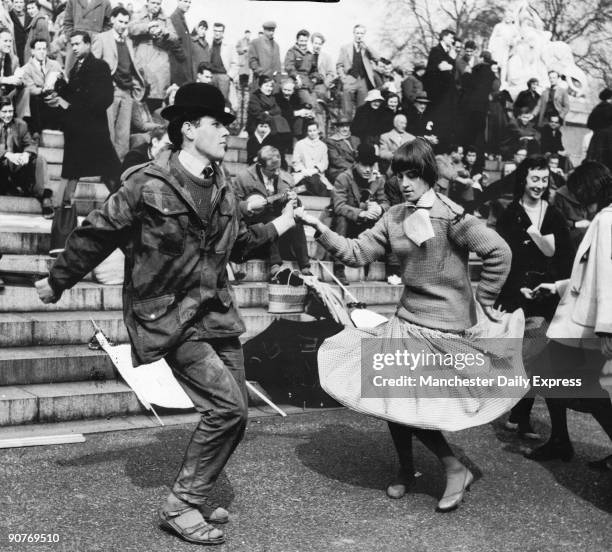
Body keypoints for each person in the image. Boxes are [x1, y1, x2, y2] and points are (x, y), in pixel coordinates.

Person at [35, 82, 299, 546]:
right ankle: (180, 504)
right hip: (171, 317)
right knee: (226, 407)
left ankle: (194, 498)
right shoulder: (147, 182)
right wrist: (58, 280)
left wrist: (280, 224)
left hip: (216, 314)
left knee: (234, 415)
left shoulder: (222, 184)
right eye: (218, 125)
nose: (227, 133)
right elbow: (98, 233)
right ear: (190, 129)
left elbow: (236, 243)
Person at [295, 138, 515, 512]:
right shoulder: (395, 215)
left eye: (414, 175)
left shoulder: (451, 215)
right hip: (407, 320)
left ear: (428, 174)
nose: (406, 183)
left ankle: (453, 467)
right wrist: (318, 227)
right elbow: (357, 252)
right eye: (400, 176)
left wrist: (487, 299)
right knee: (389, 396)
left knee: (409, 401)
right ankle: (407, 468)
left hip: (443, 327)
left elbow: (499, 252)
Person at [525, 161, 612, 467]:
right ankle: (560, 439)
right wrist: (558, 286)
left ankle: (561, 440)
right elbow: (588, 271)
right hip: (581, 320)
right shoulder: (603, 218)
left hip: (586, 326)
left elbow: (607, 273)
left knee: (580, 388)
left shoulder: (606, 219)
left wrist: (606, 327)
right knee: (552, 376)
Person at [496, 155, 574, 437]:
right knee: (524, 358)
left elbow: (565, 258)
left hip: (544, 297)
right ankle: (516, 413)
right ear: (523, 179)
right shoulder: (509, 215)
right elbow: (501, 259)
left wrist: (552, 284)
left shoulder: (553, 215)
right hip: (515, 297)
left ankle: (519, 415)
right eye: (534, 179)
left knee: (531, 356)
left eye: (544, 179)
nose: (539, 185)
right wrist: (516, 286)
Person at [47, 30, 121, 249]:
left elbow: (105, 98)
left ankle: (130, 220)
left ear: (89, 44)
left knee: (113, 178)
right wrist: (61, 88)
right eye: (72, 44)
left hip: (94, 133)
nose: (75, 47)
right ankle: (61, 239)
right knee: (69, 182)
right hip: (77, 134)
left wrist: (71, 107)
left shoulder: (100, 66)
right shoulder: (74, 68)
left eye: (79, 43)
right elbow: (73, 96)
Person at [233, 145, 312, 279]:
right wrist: (250, 205)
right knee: (270, 221)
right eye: (271, 170)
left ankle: (305, 265)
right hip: (256, 227)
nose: (276, 173)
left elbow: (294, 202)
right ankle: (275, 265)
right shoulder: (243, 178)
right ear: (260, 165)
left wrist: (294, 201)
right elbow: (233, 205)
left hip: (279, 222)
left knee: (297, 224)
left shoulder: (284, 177)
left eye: (278, 168)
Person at [92, 6, 146, 161]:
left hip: (127, 92)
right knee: (107, 131)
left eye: (126, 22)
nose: (123, 25)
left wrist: (135, 85)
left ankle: (118, 170)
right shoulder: (102, 38)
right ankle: (104, 166)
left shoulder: (128, 42)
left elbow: (130, 66)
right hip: (110, 91)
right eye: (121, 21)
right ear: (112, 19)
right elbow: (94, 66)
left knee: (123, 134)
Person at [330, 143, 388, 284]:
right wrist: (361, 213)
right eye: (364, 165)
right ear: (356, 163)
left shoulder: (377, 180)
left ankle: (388, 266)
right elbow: (339, 206)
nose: (368, 170)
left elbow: (386, 203)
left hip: (364, 227)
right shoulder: (344, 178)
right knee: (341, 219)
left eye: (371, 165)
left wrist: (379, 208)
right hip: (345, 226)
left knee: (386, 219)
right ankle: (338, 267)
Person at [0, 96, 51, 214]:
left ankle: (45, 196)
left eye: (10, 111)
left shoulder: (21, 125)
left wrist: (26, 154)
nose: (8, 115)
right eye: (4, 112)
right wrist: (7, 154)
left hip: (16, 169)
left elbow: (30, 144)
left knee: (40, 160)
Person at [129, 0, 179, 111]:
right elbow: (131, 29)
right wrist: (147, 27)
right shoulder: (138, 15)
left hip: (160, 62)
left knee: (156, 99)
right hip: (142, 59)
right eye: (153, 2)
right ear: (147, 2)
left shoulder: (166, 19)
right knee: (139, 97)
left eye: (158, 3)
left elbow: (175, 38)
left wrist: (164, 32)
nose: (156, 6)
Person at [552, 160, 602, 249]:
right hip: (572, 235)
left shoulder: (595, 191)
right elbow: (556, 221)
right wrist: (575, 224)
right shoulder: (561, 195)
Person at [336, 24, 378, 118]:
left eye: (362, 33)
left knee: (363, 108)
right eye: (357, 33)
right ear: (354, 33)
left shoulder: (366, 49)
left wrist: (367, 47)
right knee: (347, 108)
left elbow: (377, 58)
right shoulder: (345, 48)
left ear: (364, 35)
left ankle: (360, 131)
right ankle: (346, 130)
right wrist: (343, 78)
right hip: (350, 78)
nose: (359, 35)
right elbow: (339, 65)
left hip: (363, 80)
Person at [424, 29, 457, 150]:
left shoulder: (445, 52)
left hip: (444, 93)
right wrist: (452, 59)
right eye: (451, 38)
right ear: (443, 37)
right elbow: (444, 67)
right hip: (436, 92)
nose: (452, 40)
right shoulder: (436, 51)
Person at [21, 37, 62, 134]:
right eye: (39, 49)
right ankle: (38, 134)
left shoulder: (55, 65)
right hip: (38, 100)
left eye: (44, 49)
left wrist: (61, 80)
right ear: (33, 51)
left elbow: (64, 80)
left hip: (54, 97)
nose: (42, 52)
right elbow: (30, 88)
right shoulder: (26, 69)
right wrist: (43, 90)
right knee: (35, 100)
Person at [63, 0, 112, 72]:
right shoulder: (73, 1)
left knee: (92, 72)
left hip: (94, 44)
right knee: (72, 72)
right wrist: (72, 38)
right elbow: (67, 22)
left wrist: (99, 39)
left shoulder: (105, 2)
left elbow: (108, 25)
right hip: (75, 41)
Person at [292, 119, 330, 194]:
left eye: (314, 130)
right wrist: (304, 170)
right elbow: (296, 161)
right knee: (306, 184)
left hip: (317, 174)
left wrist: (315, 170)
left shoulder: (323, 146)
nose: (312, 133)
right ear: (307, 132)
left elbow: (324, 162)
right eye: (310, 131)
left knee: (315, 182)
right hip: (302, 174)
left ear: (318, 131)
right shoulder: (300, 144)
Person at [0, 27, 30, 120]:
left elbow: (21, 78)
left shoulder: (14, 59)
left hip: (7, 92)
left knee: (25, 90)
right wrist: (6, 80)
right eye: (5, 41)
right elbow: (8, 80)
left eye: (10, 41)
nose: (8, 44)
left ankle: (18, 122)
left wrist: (19, 81)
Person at [248, 21, 281, 90]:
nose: (271, 32)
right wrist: (261, 73)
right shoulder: (256, 42)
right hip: (260, 79)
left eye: (273, 30)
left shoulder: (276, 45)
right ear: (264, 30)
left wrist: (277, 78)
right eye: (269, 30)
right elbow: (252, 60)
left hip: (273, 80)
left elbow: (277, 63)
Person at [325, 117, 359, 182]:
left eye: (347, 126)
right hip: (339, 170)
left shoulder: (356, 139)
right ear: (337, 128)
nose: (345, 129)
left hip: (356, 168)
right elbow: (336, 160)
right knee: (348, 177)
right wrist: (355, 167)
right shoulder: (331, 141)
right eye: (342, 127)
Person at [168, 0, 192, 86]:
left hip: (183, 66)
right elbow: (175, 43)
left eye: (190, 2)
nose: (188, 4)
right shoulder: (174, 18)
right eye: (185, 1)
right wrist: (184, 58)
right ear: (178, 1)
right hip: (178, 67)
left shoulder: (181, 17)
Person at [10, 0, 31, 64]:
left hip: (27, 49)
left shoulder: (29, 15)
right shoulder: (9, 15)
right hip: (15, 49)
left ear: (24, 3)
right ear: (12, 3)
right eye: (16, 2)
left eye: (21, 2)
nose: (19, 5)